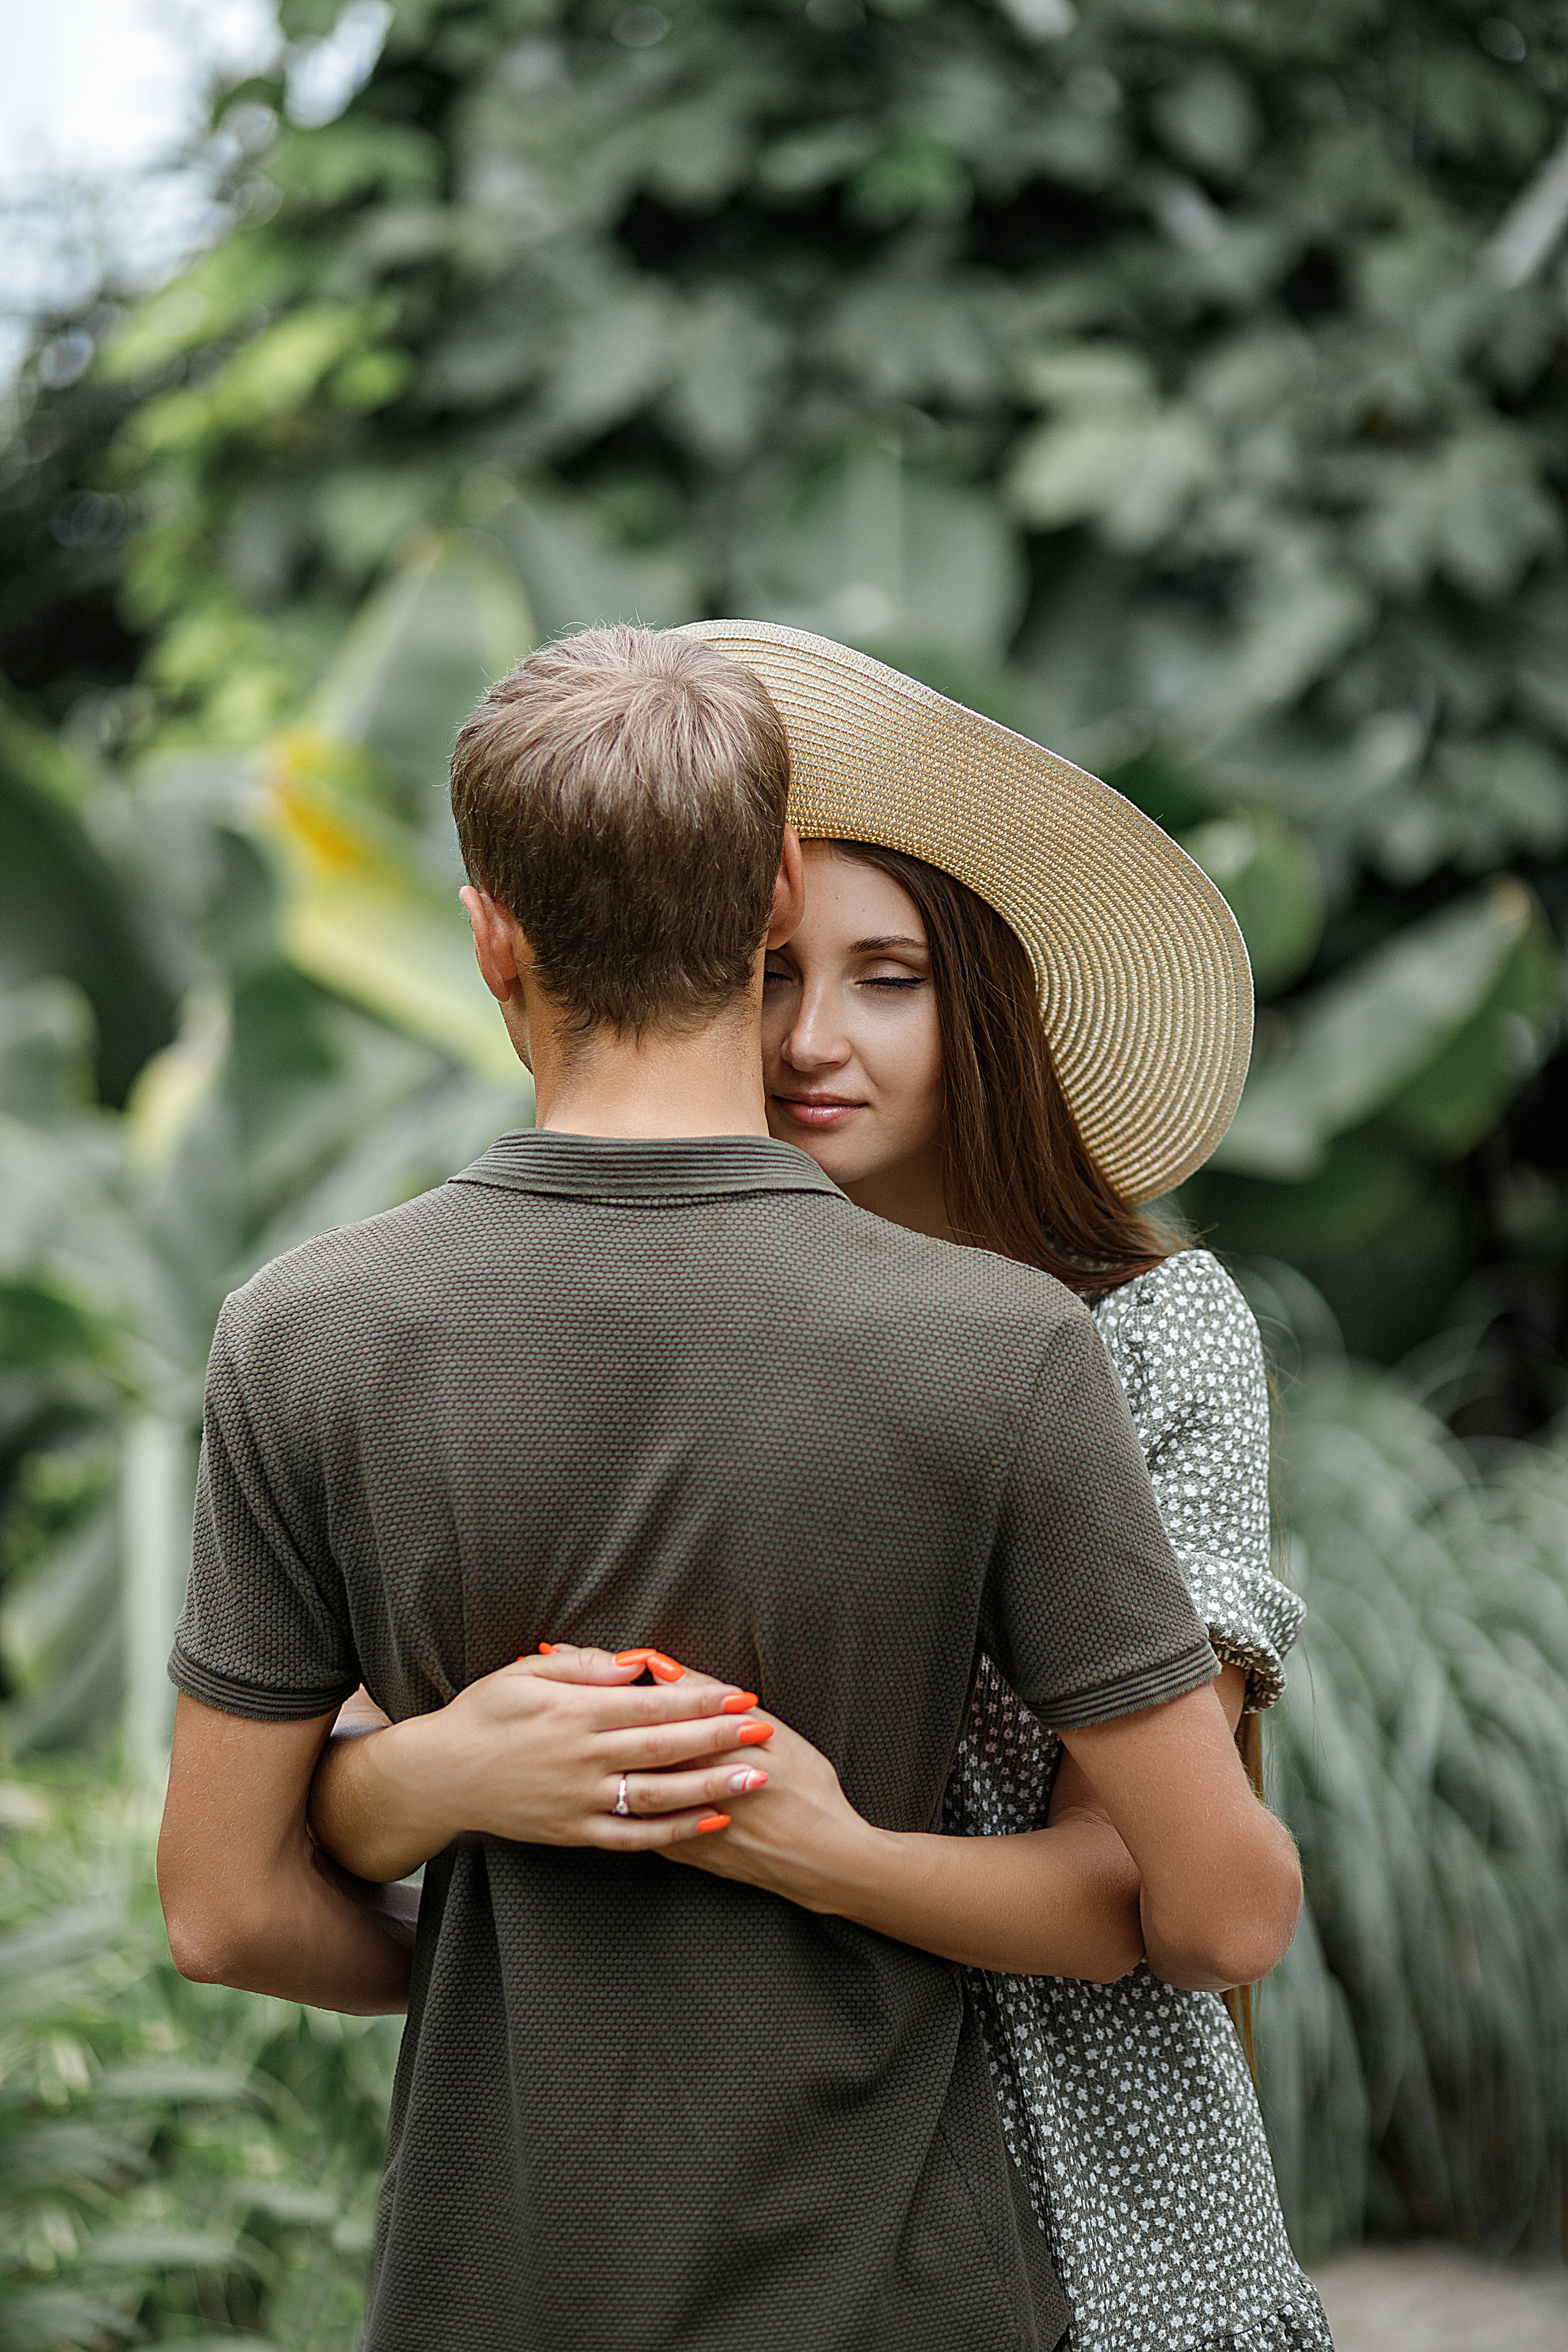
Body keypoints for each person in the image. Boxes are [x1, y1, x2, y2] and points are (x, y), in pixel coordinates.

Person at [157, 622, 1303, 2352]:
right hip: (843, 2225)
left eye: (893, 977)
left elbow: (1193, 1904)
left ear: (489, 934)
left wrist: (802, 1853)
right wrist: (428, 1779)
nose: (816, 1039)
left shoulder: (1091, 1338)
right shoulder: (978, 1351)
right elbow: (252, 1883)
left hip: (1071, 2169)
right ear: (758, 905)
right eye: (787, 974)